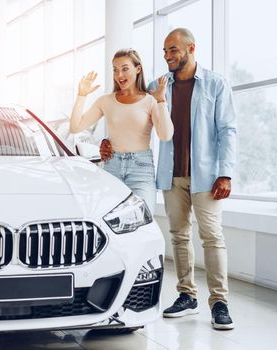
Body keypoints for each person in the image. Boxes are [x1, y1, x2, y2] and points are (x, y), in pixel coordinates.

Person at [101, 28, 237, 330]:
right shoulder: (156, 87)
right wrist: (107, 141)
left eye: (173, 50)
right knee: (178, 235)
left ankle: (220, 303)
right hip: (171, 174)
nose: (167, 56)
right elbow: (129, 111)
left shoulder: (215, 84)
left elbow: (228, 130)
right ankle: (187, 295)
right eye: (164, 51)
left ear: (191, 48)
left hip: (207, 175)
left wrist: (225, 173)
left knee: (212, 237)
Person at [69, 49, 173, 214]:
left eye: (125, 68)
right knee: (110, 222)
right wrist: (81, 95)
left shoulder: (150, 100)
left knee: (143, 220)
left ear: (138, 69)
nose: (119, 74)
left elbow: (166, 135)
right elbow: (75, 127)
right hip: (112, 167)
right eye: (115, 69)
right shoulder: (105, 100)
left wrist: (161, 101)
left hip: (141, 169)